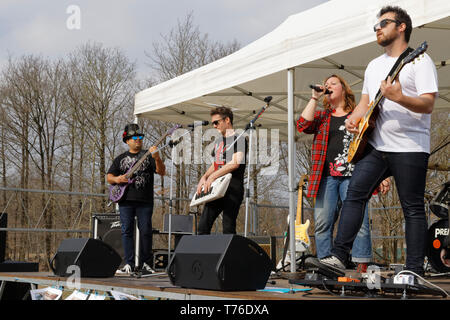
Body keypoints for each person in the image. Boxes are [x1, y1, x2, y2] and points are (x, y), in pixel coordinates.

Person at [321, 6, 438, 276]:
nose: (378, 27)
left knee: (411, 207)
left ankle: (412, 270)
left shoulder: (420, 61)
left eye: (384, 23)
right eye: (376, 24)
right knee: (354, 195)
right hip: (376, 145)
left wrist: (399, 97)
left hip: (410, 146)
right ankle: (338, 257)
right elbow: (365, 102)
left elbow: (428, 104)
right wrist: (354, 119)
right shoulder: (374, 65)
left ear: (401, 27)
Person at [297, 75, 390, 272]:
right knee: (323, 222)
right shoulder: (323, 117)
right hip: (327, 177)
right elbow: (303, 125)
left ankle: (361, 266)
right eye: (326, 84)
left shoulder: (359, 114)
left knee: (361, 221)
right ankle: (326, 264)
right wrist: (314, 97)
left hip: (355, 174)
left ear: (344, 89)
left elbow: (375, 143)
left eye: (333, 83)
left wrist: (384, 174)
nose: (328, 85)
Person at [107, 123, 166, 275]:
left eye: (140, 137)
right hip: (125, 200)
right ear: (127, 140)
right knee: (126, 231)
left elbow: (161, 172)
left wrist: (157, 157)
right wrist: (118, 179)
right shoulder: (120, 158)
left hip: (145, 201)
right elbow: (109, 177)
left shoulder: (149, 155)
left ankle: (146, 263)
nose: (138, 140)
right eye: (134, 137)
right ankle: (129, 263)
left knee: (146, 230)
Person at [196, 106, 247, 234]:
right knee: (202, 227)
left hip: (232, 189)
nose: (214, 126)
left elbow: (235, 163)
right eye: (213, 123)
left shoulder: (240, 138)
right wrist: (205, 177)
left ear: (227, 120)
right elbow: (216, 164)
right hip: (217, 188)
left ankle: (231, 254)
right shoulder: (219, 141)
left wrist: (213, 176)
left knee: (228, 227)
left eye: (216, 122)